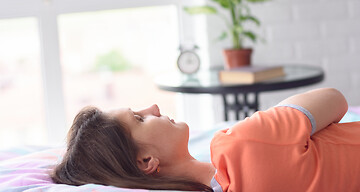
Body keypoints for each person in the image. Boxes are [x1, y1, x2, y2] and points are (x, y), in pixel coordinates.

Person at [51, 88, 360, 192]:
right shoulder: (238, 145)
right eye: (140, 118)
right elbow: (335, 99)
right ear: (146, 161)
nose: (154, 108)